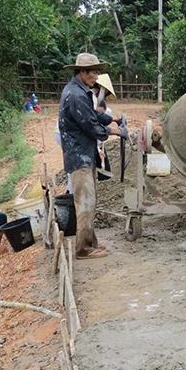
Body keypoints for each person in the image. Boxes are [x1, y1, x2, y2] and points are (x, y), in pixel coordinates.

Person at [59, 53, 127, 259]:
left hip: (84, 153)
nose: (97, 76)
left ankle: (91, 242)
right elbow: (89, 125)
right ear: (81, 72)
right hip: (79, 155)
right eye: (94, 72)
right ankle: (83, 249)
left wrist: (111, 119)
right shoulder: (76, 95)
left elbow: (93, 115)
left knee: (89, 200)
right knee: (86, 203)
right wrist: (115, 132)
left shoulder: (80, 91)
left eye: (98, 72)